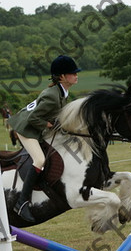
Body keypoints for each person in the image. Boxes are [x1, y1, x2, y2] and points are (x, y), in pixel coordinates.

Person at [8, 54, 80, 222]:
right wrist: (50, 125)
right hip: (26, 129)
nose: (76, 75)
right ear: (62, 77)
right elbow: (33, 118)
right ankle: (21, 202)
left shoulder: (62, 92)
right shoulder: (52, 96)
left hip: (35, 128)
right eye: (73, 73)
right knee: (40, 160)